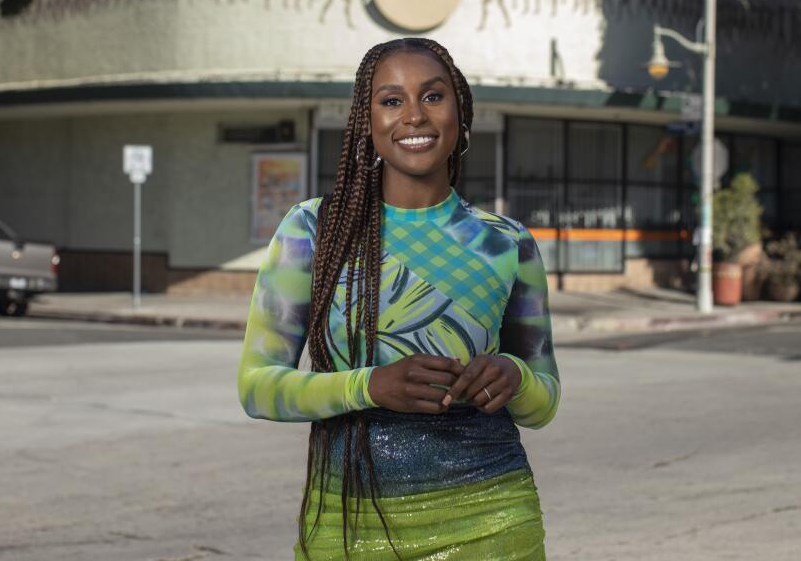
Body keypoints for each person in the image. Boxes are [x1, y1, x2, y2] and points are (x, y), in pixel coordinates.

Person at [237, 37, 560, 559]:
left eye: (432, 97)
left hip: (494, 520)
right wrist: (371, 386)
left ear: (461, 111)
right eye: (392, 101)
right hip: (351, 525)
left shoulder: (506, 242)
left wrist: (515, 377)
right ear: (367, 121)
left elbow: (544, 401)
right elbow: (256, 388)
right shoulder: (314, 230)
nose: (414, 116)